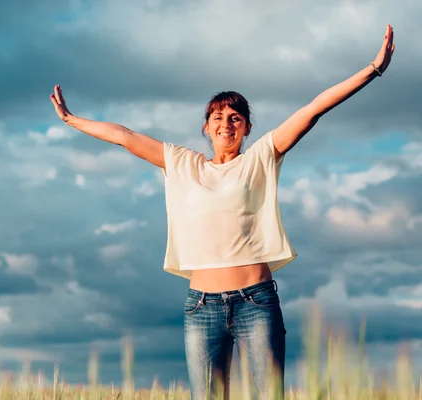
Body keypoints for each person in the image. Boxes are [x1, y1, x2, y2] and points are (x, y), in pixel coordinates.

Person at [50, 25, 395, 399]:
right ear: (206, 127)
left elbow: (313, 109)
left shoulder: (261, 157)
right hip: (201, 307)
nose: (226, 123)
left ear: (246, 128)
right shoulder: (182, 163)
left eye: (235, 117)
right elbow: (124, 136)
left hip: (256, 302)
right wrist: (72, 120)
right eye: (217, 117)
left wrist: (372, 69)